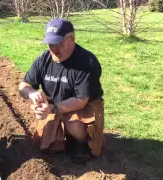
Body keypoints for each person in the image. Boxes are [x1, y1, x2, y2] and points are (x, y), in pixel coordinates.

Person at [18, 18, 104, 164]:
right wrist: (31, 93)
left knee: (73, 122)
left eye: (59, 43)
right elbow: (23, 86)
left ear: (72, 39)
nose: (54, 49)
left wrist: (52, 108)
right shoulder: (43, 60)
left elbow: (80, 100)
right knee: (44, 144)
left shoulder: (87, 62)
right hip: (57, 105)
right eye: (50, 44)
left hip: (84, 107)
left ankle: (82, 144)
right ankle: (64, 134)